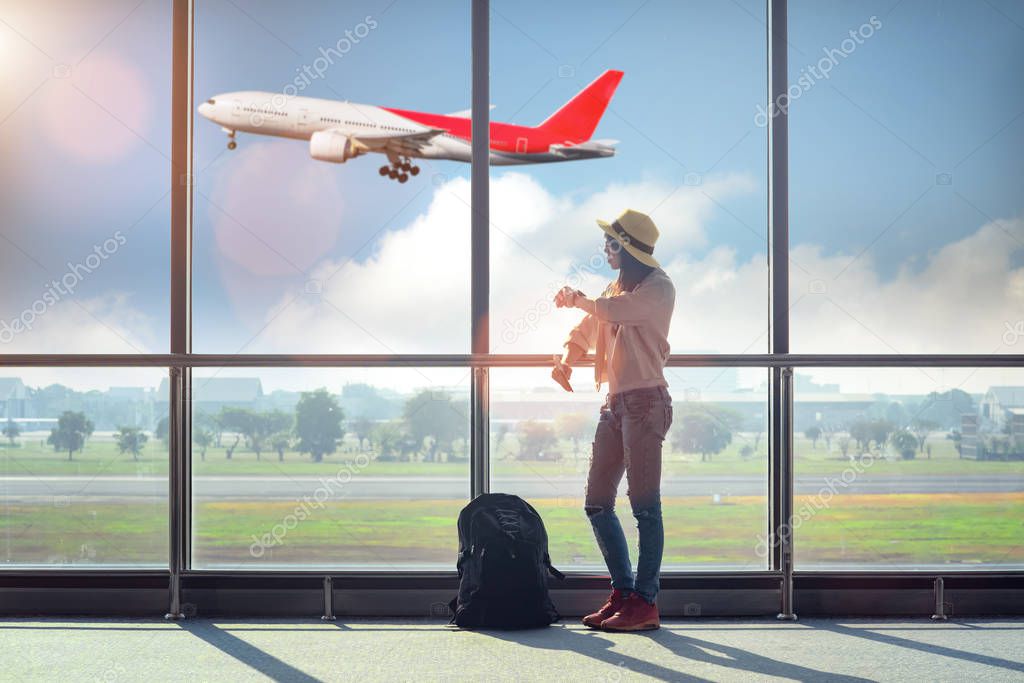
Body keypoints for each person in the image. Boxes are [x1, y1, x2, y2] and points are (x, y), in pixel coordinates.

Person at [552, 208, 675, 632]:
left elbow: (611, 311)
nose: (605, 248)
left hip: (645, 404)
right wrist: (567, 361)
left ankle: (646, 602)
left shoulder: (658, 288)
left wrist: (578, 299)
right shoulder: (614, 287)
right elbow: (587, 329)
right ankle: (624, 593)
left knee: (645, 508)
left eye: (611, 243)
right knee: (597, 503)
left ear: (627, 249)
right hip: (616, 405)